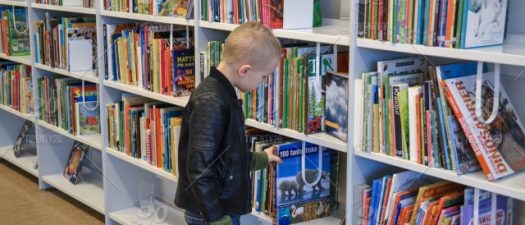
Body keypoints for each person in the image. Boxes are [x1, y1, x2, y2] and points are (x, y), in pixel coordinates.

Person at [175, 22, 283, 225]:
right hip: (210, 214)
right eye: (263, 77)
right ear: (245, 70)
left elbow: (226, 154)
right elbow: (199, 169)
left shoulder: (223, 93)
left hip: (217, 209)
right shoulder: (212, 101)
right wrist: (216, 219)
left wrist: (261, 158)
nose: (263, 83)